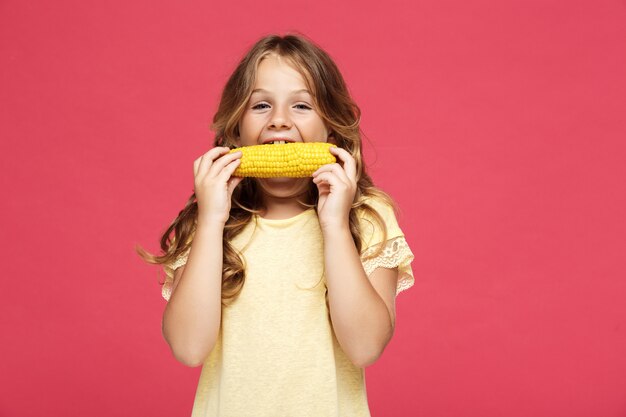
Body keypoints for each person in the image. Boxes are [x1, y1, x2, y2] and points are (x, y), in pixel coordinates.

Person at [137, 32, 415, 416]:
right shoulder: (210, 224)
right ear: (235, 130)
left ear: (332, 130)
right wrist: (211, 220)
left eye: (301, 105)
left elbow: (366, 346)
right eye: (261, 105)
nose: (279, 121)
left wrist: (334, 228)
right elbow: (188, 346)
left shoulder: (365, 217)